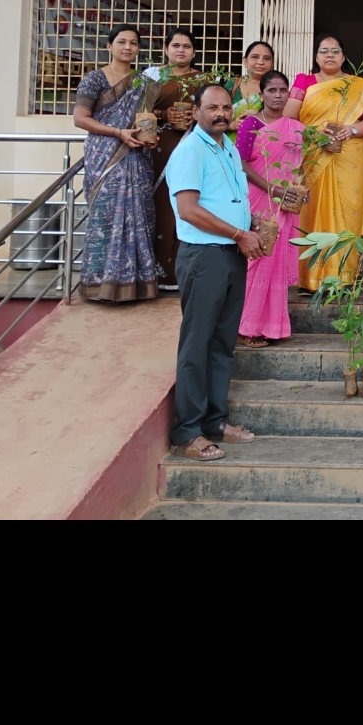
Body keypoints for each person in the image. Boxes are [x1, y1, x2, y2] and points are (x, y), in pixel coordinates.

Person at [165, 82, 263, 460]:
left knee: (222, 343)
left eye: (225, 107)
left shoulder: (227, 148)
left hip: (232, 254)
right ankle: (188, 432)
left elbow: (231, 199)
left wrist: (253, 226)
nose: (221, 113)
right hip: (204, 257)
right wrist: (240, 233)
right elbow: (188, 209)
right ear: (196, 112)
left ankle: (215, 421)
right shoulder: (190, 150)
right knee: (197, 344)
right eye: (212, 108)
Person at [285, 36, 363, 290]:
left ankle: (343, 278)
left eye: (335, 51)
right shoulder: (304, 82)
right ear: (316, 57)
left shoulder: (359, 85)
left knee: (346, 215)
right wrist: (315, 133)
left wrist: (350, 130)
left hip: (348, 161)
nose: (329, 55)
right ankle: (309, 280)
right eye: (324, 51)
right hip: (312, 156)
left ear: (343, 57)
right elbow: (289, 118)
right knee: (309, 213)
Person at [73, 24, 160, 303]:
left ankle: (137, 285)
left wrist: (150, 138)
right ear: (109, 46)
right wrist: (117, 132)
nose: (128, 47)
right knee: (105, 218)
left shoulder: (144, 82)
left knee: (139, 215)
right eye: (121, 42)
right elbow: (80, 118)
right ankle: (100, 285)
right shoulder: (94, 79)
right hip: (105, 156)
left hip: (137, 157)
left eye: (133, 43)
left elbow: (145, 120)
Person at [235, 71, 307, 344]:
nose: (278, 95)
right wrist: (272, 189)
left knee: (274, 262)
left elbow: (300, 166)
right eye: (272, 90)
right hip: (259, 200)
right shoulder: (250, 124)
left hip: (285, 204)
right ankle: (245, 328)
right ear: (261, 94)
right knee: (256, 259)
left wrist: (300, 190)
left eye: (282, 90)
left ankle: (271, 326)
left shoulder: (296, 128)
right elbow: (240, 164)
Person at [149, 27, 200, 291]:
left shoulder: (203, 80)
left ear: (194, 51)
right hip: (156, 150)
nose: (181, 50)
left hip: (190, 150)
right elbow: (139, 111)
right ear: (166, 49)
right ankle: (154, 273)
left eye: (186, 46)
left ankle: (180, 273)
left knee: (184, 206)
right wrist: (163, 115)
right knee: (158, 207)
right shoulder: (151, 76)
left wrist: (195, 117)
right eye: (176, 45)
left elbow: (212, 113)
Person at [230, 40, 276, 131]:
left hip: (266, 138)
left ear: (272, 63)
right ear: (245, 61)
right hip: (231, 139)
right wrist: (232, 125)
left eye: (267, 58)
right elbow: (214, 115)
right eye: (255, 57)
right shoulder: (232, 85)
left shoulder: (277, 89)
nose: (260, 62)